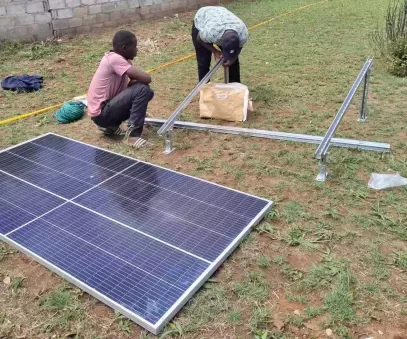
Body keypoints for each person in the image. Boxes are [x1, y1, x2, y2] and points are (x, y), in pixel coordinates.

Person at [87, 30, 154, 148]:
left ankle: (111, 126)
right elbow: (147, 78)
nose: (137, 49)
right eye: (134, 46)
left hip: (103, 112)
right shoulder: (114, 59)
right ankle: (133, 137)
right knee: (143, 90)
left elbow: (132, 83)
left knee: (146, 91)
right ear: (124, 48)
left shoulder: (121, 59)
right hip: (102, 114)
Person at [191, 6, 248, 83]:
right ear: (221, 41)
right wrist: (216, 52)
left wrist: (232, 59)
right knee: (203, 61)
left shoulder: (242, 34)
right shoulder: (210, 33)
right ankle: (205, 89)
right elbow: (199, 39)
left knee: (232, 61)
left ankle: (234, 86)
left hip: (221, 17)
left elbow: (238, 48)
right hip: (202, 18)